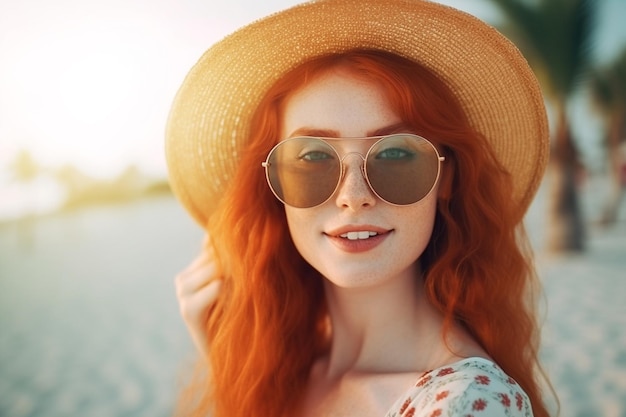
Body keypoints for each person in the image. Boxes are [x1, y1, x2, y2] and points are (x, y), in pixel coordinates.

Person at [165, 1, 554, 416]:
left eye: (396, 154)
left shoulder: (469, 404)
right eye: (313, 157)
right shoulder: (283, 375)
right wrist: (230, 365)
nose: (353, 195)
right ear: (271, 182)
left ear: (448, 179)